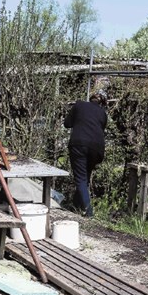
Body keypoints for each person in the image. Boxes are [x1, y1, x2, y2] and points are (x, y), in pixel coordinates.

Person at [64, 77, 109, 217]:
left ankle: (89, 213)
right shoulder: (103, 113)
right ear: (102, 102)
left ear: (90, 98)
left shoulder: (79, 105)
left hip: (79, 144)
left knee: (81, 178)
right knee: (85, 177)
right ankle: (76, 206)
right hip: (97, 149)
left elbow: (67, 123)